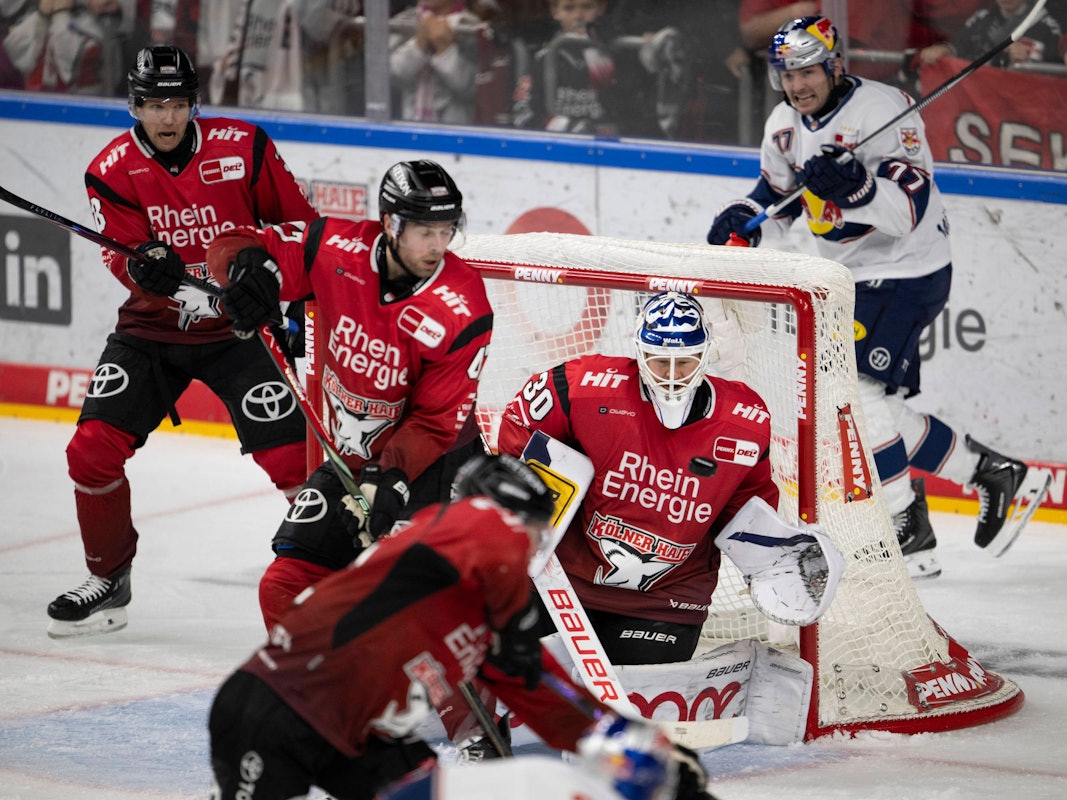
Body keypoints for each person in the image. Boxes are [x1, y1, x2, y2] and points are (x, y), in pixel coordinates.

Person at [706, 16, 1038, 579]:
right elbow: (777, 200)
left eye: (809, 71)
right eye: (788, 74)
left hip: (910, 269)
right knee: (863, 401)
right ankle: (987, 470)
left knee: (855, 392)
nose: (799, 85)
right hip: (849, 277)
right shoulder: (784, 124)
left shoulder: (884, 111)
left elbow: (907, 211)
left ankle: (906, 522)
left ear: (833, 66)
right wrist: (747, 220)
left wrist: (859, 188)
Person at [208, 453, 715, 800]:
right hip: (276, 712)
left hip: (362, 736)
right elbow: (487, 537)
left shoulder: (481, 606)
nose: (536, 544)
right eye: (534, 528)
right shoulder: (460, 530)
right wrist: (513, 609)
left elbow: (544, 694)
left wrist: (640, 751)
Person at [45, 44, 316, 639]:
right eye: (152, 105)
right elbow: (122, 257)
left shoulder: (244, 147)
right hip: (151, 332)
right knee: (90, 451)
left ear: (194, 103)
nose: (166, 117)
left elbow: (302, 228)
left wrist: (264, 273)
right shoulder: (111, 169)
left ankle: (336, 583)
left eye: (177, 103)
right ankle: (108, 578)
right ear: (134, 106)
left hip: (241, 330)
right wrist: (146, 267)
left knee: (295, 463)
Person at [205, 158, 493, 632]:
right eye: (424, 231)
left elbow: (435, 421)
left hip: (431, 469)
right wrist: (243, 269)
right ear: (390, 223)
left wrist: (392, 478)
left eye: (446, 231)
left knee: (421, 620)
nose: (437, 245)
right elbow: (238, 241)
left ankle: (450, 706)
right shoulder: (335, 246)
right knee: (284, 587)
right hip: (349, 461)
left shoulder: (463, 305)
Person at [497, 291, 789, 665]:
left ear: (704, 355)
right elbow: (519, 426)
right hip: (562, 581)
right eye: (657, 361)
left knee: (637, 701)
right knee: (503, 670)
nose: (670, 376)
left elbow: (747, 510)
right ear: (638, 351)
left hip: (666, 601)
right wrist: (532, 504)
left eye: (683, 362)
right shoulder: (584, 386)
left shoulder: (744, 421)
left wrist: (771, 557)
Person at [511, 0, 620, 134]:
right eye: (569, 8)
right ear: (555, 11)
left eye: (587, 7)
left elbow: (623, 112)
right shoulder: (540, 60)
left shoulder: (612, 55)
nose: (578, 16)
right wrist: (563, 125)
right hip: (555, 146)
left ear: (601, 7)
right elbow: (523, 116)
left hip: (601, 147)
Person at [388, 0, 485, 124]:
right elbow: (386, 78)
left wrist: (445, 52)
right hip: (407, 127)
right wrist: (418, 46)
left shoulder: (474, 27)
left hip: (458, 131)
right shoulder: (401, 21)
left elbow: (475, 89)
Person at [918, 0, 1064, 68]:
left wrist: (1027, 62)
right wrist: (944, 49)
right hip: (978, 101)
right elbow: (959, 47)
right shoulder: (980, 18)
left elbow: (1055, 71)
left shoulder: (1048, 27)